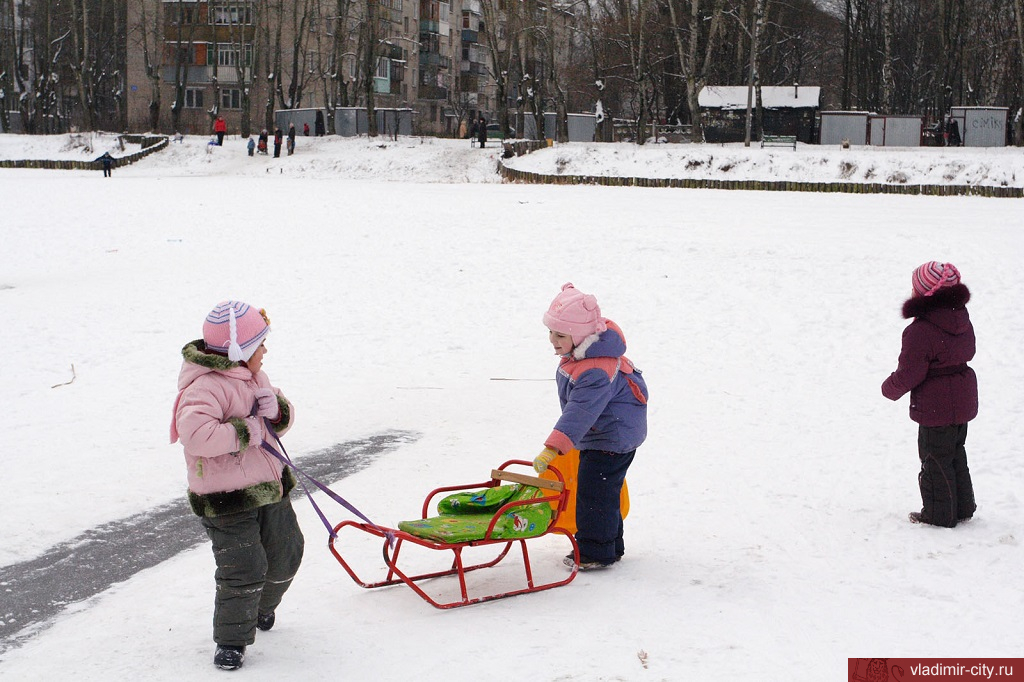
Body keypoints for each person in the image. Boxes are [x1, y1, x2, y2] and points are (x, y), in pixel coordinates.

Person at [170, 301, 304, 670]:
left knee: (287, 554)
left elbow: (279, 421)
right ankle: (231, 640)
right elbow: (196, 436)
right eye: (260, 345)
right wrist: (249, 430)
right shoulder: (205, 388)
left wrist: (276, 410)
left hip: (270, 486)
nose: (265, 351)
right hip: (226, 499)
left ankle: (261, 607)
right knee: (243, 568)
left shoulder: (254, 377)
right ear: (239, 351)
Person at [533, 283, 648, 570]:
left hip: (611, 438)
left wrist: (552, 449)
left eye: (560, 335)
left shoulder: (595, 369)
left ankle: (595, 552)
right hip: (607, 433)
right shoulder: (584, 356)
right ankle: (610, 545)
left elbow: (579, 412)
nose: (552, 340)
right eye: (551, 332)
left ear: (582, 335)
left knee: (594, 494)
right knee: (604, 491)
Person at [881, 262, 978, 528]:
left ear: (925, 294)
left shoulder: (919, 330)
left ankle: (938, 515)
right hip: (962, 395)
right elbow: (967, 350)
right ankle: (963, 507)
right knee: (956, 451)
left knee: (935, 458)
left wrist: (890, 388)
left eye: (914, 287)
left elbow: (911, 372)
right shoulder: (960, 318)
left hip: (936, 404)